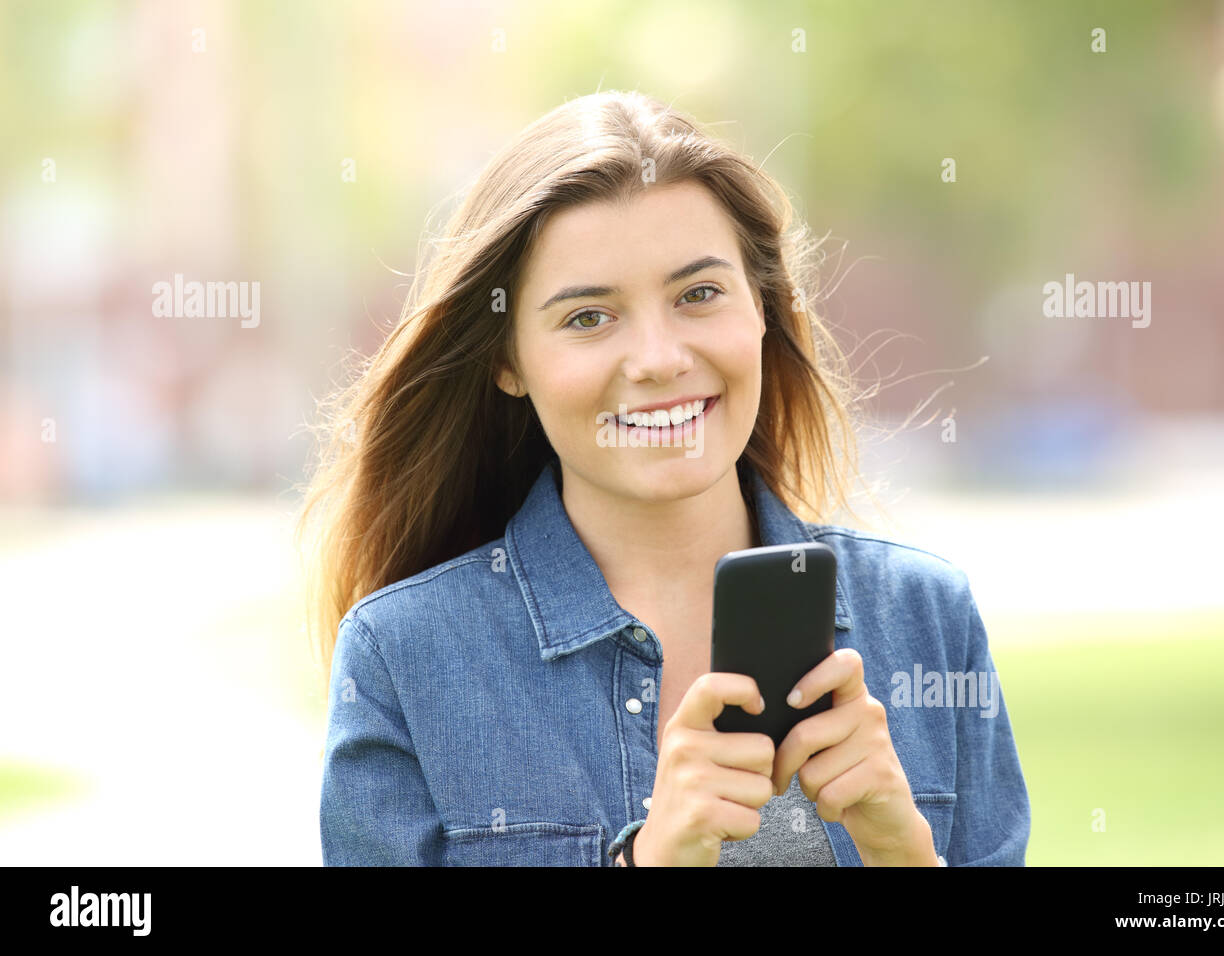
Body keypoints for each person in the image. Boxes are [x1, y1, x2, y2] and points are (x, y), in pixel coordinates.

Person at [300, 90, 1030, 866]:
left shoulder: (927, 620)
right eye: (588, 317)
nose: (658, 358)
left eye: (698, 295)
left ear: (764, 310)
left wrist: (903, 852)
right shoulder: (406, 657)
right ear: (507, 360)